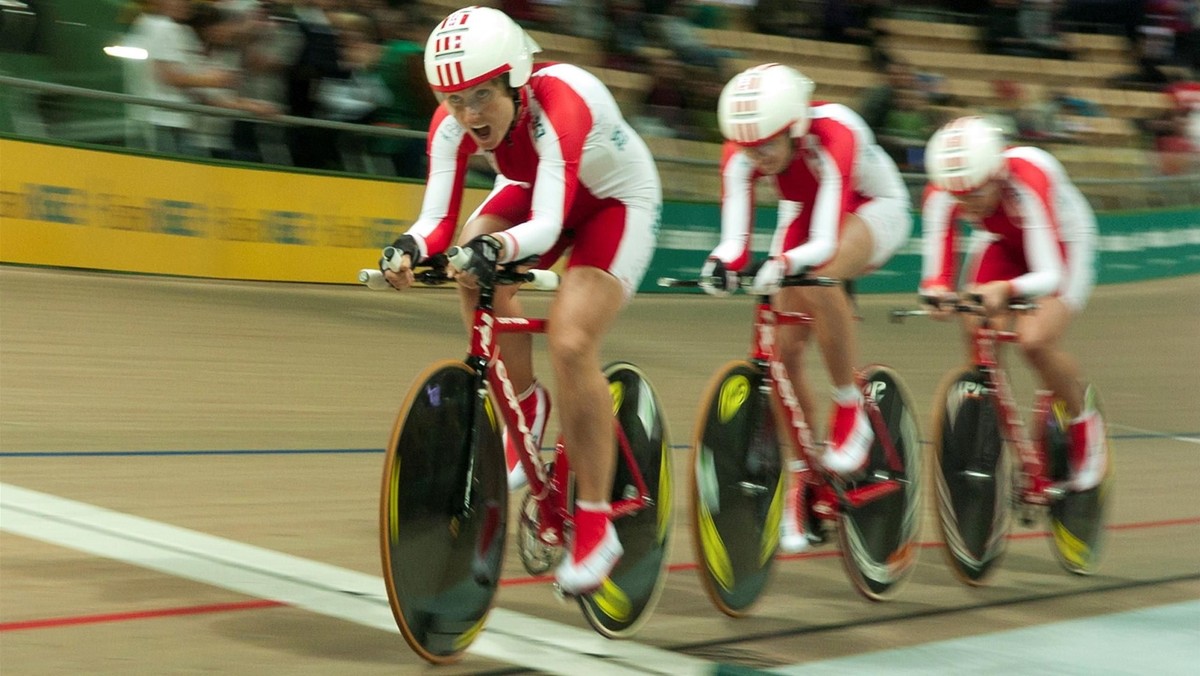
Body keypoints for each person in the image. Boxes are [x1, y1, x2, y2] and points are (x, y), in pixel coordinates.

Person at [378, 6, 662, 595]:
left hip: (614, 202)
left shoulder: (561, 103)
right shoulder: (452, 123)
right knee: (467, 261)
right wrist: (407, 248)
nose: (467, 115)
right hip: (537, 191)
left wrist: (495, 247)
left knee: (571, 338)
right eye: (453, 100)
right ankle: (525, 402)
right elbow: (435, 221)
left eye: (481, 95)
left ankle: (594, 521)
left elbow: (549, 223)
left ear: (515, 78)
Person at [698, 63, 912, 554]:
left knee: (820, 274)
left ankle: (849, 406)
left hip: (872, 205)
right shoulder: (744, 146)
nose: (757, 157)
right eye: (748, 148)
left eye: (768, 146)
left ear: (795, 126)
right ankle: (803, 473)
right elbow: (735, 241)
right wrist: (721, 264)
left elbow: (823, 238)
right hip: (806, 213)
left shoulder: (835, 130)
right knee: (783, 349)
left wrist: (786, 262)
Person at [919, 115, 1107, 493]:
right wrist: (937, 293)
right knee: (976, 326)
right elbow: (935, 273)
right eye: (958, 198)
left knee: (1034, 340)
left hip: (1063, 243)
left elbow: (1049, 274)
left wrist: (1004, 289)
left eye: (974, 195)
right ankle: (993, 426)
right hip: (1003, 242)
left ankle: (1083, 424)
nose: (966, 206)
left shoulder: (1029, 176)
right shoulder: (945, 190)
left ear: (996, 174)